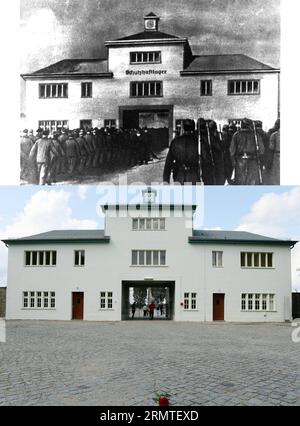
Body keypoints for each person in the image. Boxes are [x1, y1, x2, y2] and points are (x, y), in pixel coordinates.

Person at [163, 119, 200, 184]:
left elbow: (168, 163)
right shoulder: (198, 142)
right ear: (193, 128)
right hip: (193, 176)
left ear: (183, 128)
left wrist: (166, 180)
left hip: (179, 176)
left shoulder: (175, 142)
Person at [229, 118, 264, 185]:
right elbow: (262, 150)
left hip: (240, 162)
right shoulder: (256, 135)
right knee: (251, 183)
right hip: (253, 162)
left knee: (240, 183)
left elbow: (232, 150)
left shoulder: (236, 135)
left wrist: (234, 163)